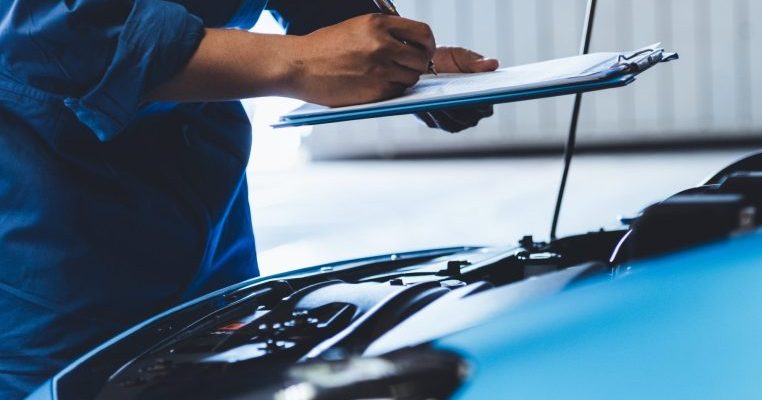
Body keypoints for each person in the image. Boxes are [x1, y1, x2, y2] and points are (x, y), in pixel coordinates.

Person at [0, 0, 498, 397]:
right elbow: (51, 24)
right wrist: (299, 62)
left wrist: (396, 59)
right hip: (50, 219)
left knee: (226, 366)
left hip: (205, 196)